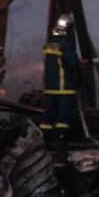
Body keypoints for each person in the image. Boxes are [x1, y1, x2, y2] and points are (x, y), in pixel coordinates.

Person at [40, 14, 79, 152]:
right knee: (63, 119)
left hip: (50, 89)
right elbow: (72, 62)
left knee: (48, 117)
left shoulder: (48, 45)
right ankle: (60, 146)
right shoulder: (65, 45)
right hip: (64, 89)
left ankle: (43, 142)